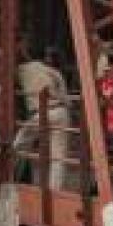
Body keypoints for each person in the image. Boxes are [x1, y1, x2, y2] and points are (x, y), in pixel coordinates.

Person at [13, 51, 74, 191]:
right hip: (61, 111)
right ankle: (54, 191)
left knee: (19, 144)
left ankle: (6, 175)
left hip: (40, 112)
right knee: (58, 157)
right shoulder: (56, 73)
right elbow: (67, 100)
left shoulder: (24, 69)